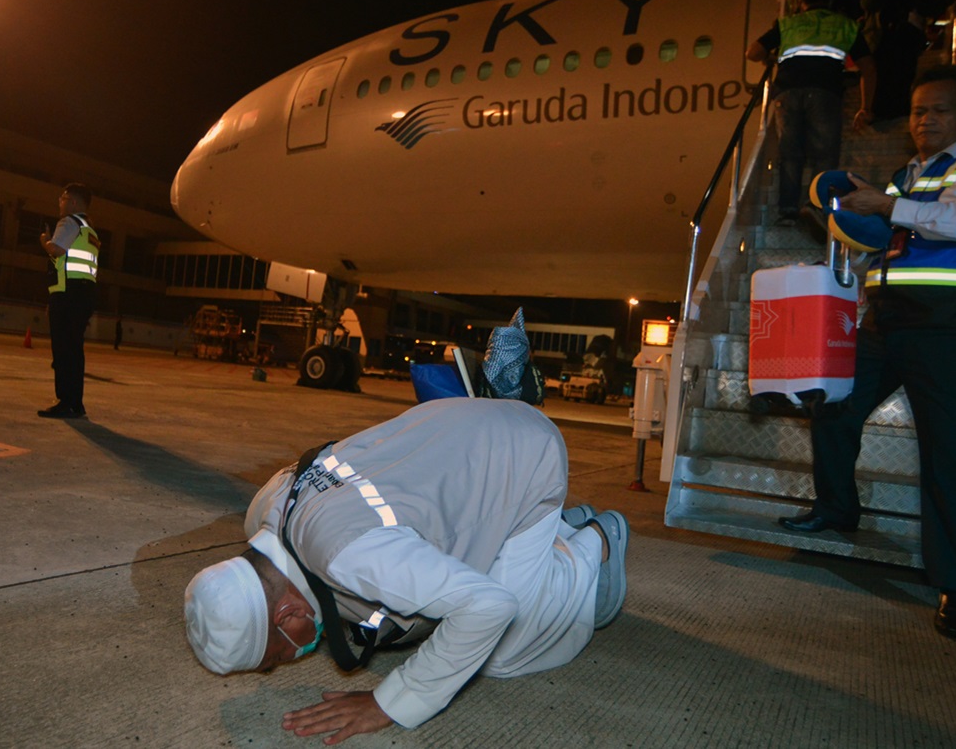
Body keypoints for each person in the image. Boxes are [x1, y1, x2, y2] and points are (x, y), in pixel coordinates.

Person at [184, 398, 629, 743]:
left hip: (525, 455)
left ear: (287, 616)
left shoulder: (348, 555)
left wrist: (389, 703)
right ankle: (554, 536)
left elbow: (488, 608)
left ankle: (591, 545)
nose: (285, 664)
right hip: (459, 430)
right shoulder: (263, 510)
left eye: (273, 661)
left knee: (502, 652)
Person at [779, 65, 956, 642]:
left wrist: (887, 207)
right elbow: (883, 243)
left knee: (946, 450)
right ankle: (839, 509)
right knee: (833, 405)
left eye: (938, 109)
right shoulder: (904, 174)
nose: (925, 120)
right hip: (885, 320)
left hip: (946, 326)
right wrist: (844, 251)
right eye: (916, 111)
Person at [747, 0, 876, 225]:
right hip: (825, 91)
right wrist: (865, 108)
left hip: (787, 92)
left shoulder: (788, 24)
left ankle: (787, 211)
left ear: (803, 0)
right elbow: (869, 68)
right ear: (830, 0)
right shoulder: (846, 25)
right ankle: (816, 206)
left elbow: (752, 52)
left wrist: (772, 59)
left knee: (790, 154)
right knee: (824, 154)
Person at [38, 183, 99, 419]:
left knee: (63, 349)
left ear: (73, 202)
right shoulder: (89, 229)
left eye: (63, 198)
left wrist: (44, 240)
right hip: (84, 293)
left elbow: (57, 250)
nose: (59, 202)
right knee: (74, 350)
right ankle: (75, 403)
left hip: (68, 294)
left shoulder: (68, 222)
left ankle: (65, 401)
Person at [863, 0, 937, 120]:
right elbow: (868, 3)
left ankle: (900, 109)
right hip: (882, 39)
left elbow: (930, 5)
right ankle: (879, 111)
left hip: (906, 37)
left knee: (903, 74)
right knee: (882, 75)